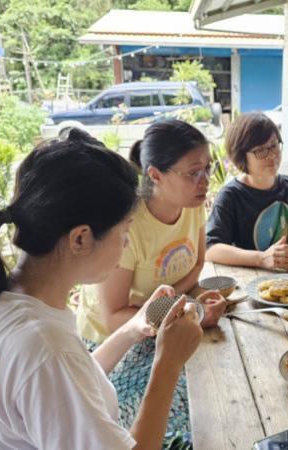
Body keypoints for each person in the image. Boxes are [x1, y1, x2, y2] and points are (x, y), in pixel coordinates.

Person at [0, 129, 203, 449]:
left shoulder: (8, 300)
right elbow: (56, 367)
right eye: (124, 231)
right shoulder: (44, 346)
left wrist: (132, 329)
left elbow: (73, 380)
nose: (125, 243)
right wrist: (169, 361)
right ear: (80, 238)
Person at [75, 120, 226, 436]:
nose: (205, 181)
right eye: (193, 173)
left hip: (158, 322)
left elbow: (198, 264)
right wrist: (189, 311)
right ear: (155, 175)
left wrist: (189, 304)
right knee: (190, 399)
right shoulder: (127, 224)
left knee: (220, 371)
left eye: (208, 170)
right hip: (110, 343)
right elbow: (115, 316)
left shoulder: (192, 204)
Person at [206, 112, 288, 269]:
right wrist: (261, 258)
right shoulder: (230, 196)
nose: (272, 155)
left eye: (274, 145)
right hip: (246, 278)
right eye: (260, 150)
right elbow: (211, 249)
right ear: (241, 156)